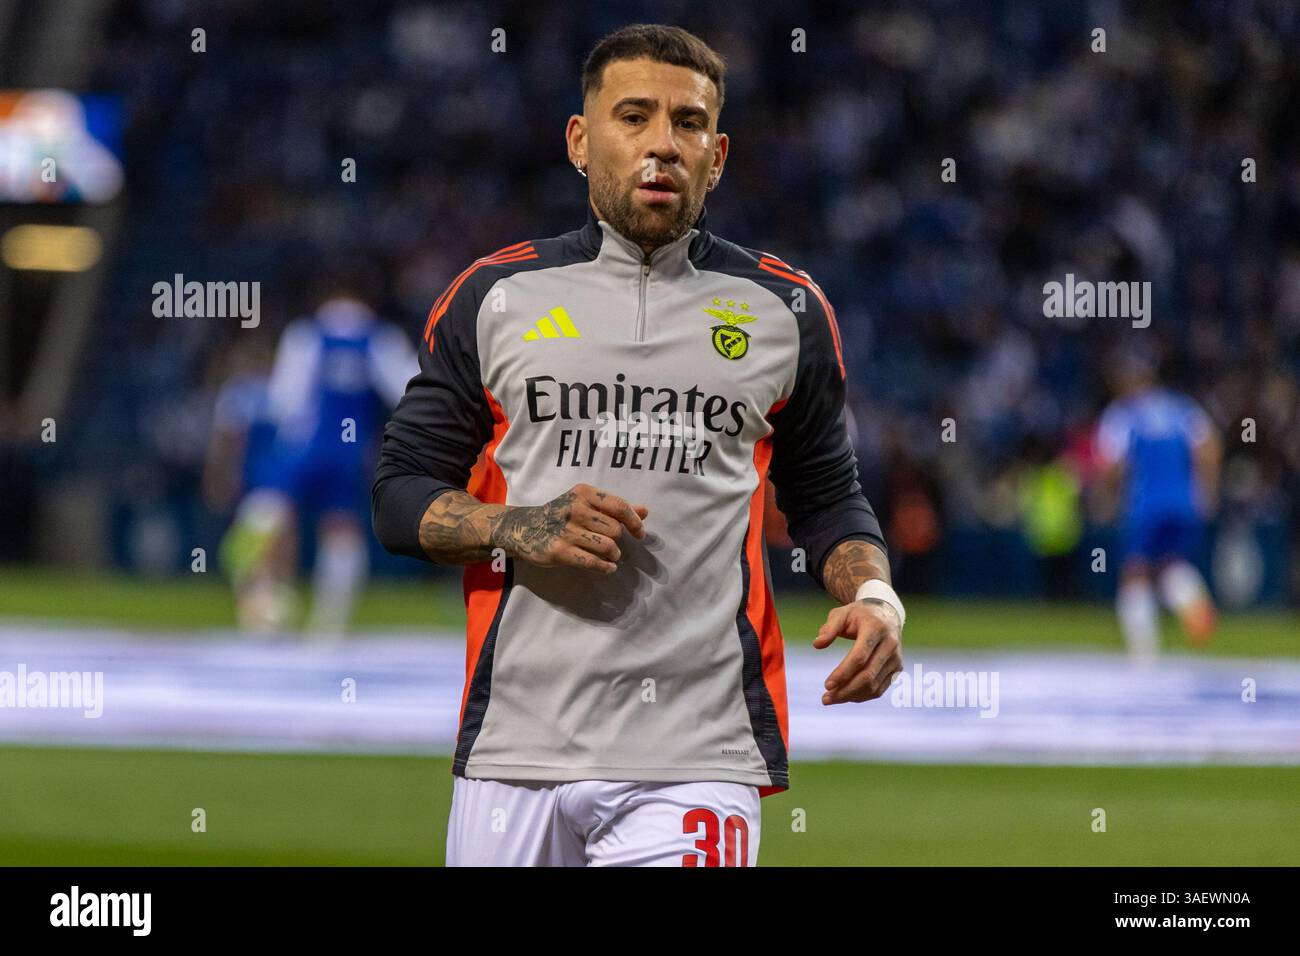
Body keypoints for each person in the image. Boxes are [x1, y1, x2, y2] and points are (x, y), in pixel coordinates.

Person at [372, 24, 903, 867]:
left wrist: (876, 598)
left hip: (699, 752)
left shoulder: (786, 311)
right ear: (581, 142)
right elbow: (400, 497)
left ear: (717, 154)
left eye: (688, 124)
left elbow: (828, 500)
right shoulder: (494, 297)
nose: (663, 143)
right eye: (634, 116)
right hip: (518, 747)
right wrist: (514, 526)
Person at [224, 283, 416, 637]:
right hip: (349, 450)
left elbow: (286, 399)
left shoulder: (306, 334)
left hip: (302, 445)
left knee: (264, 516)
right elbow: (408, 389)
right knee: (341, 528)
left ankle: (259, 597)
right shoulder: (379, 336)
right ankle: (329, 625)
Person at [1096, 354, 1221, 662]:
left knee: (1135, 571)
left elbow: (1112, 464)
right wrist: (1207, 490)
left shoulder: (1124, 414)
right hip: (1182, 502)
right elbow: (1210, 449)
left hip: (1146, 503)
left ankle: (1144, 651)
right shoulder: (1182, 408)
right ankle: (1192, 599)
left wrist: (1108, 493)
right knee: (1170, 563)